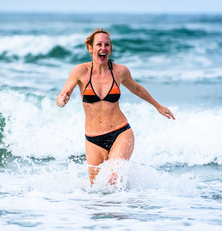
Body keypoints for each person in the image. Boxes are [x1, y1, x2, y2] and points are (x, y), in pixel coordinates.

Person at [56, 29, 175, 185]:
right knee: (97, 189)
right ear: (90, 48)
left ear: (110, 49)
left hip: (121, 132)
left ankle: (124, 204)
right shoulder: (80, 71)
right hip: (93, 139)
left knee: (112, 180)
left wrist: (158, 106)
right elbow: (61, 97)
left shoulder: (120, 71)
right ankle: (129, 202)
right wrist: (62, 101)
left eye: (107, 45)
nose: (103, 48)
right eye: (99, 44)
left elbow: (136, 89)